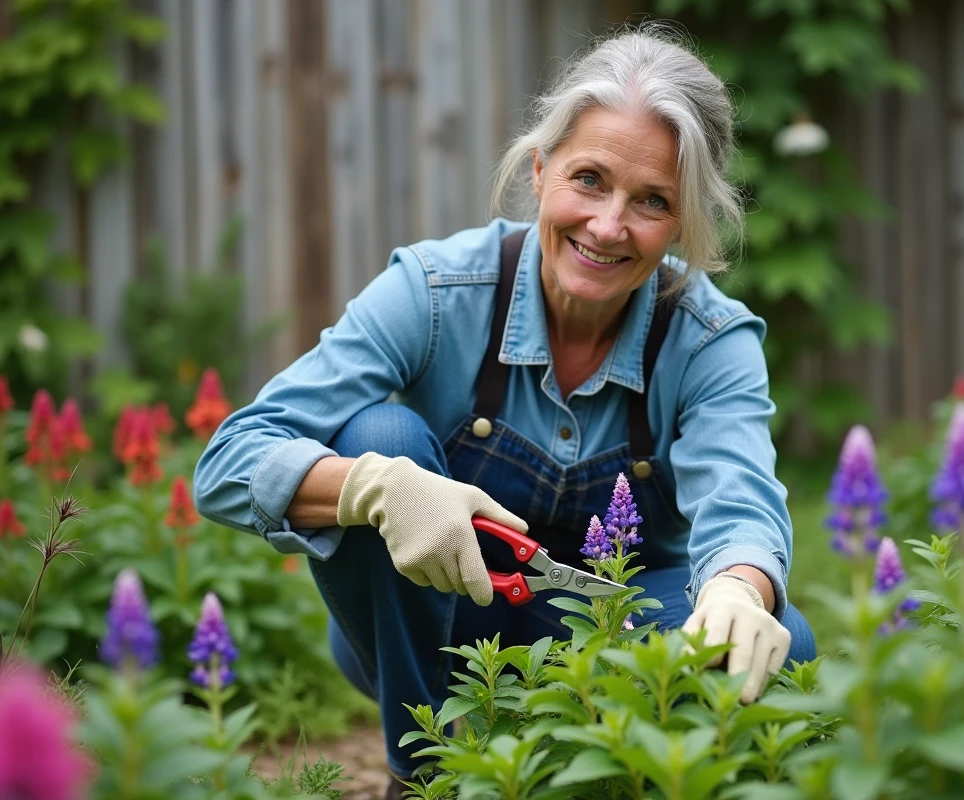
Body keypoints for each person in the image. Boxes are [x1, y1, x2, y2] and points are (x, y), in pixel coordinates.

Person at [193, 24, 817, 794]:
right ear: (541, 168)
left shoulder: (710, 340)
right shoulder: (436, 292)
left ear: (685, 221)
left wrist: (738, 587)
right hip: (431, 631)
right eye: (589, 179)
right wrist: (376, 487)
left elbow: (741, 498)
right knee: (378, 435)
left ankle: (598, 770)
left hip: (611, 626)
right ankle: (421, 775)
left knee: (787, 643)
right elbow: (228, 461)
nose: (608, 225)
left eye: (652, 200)